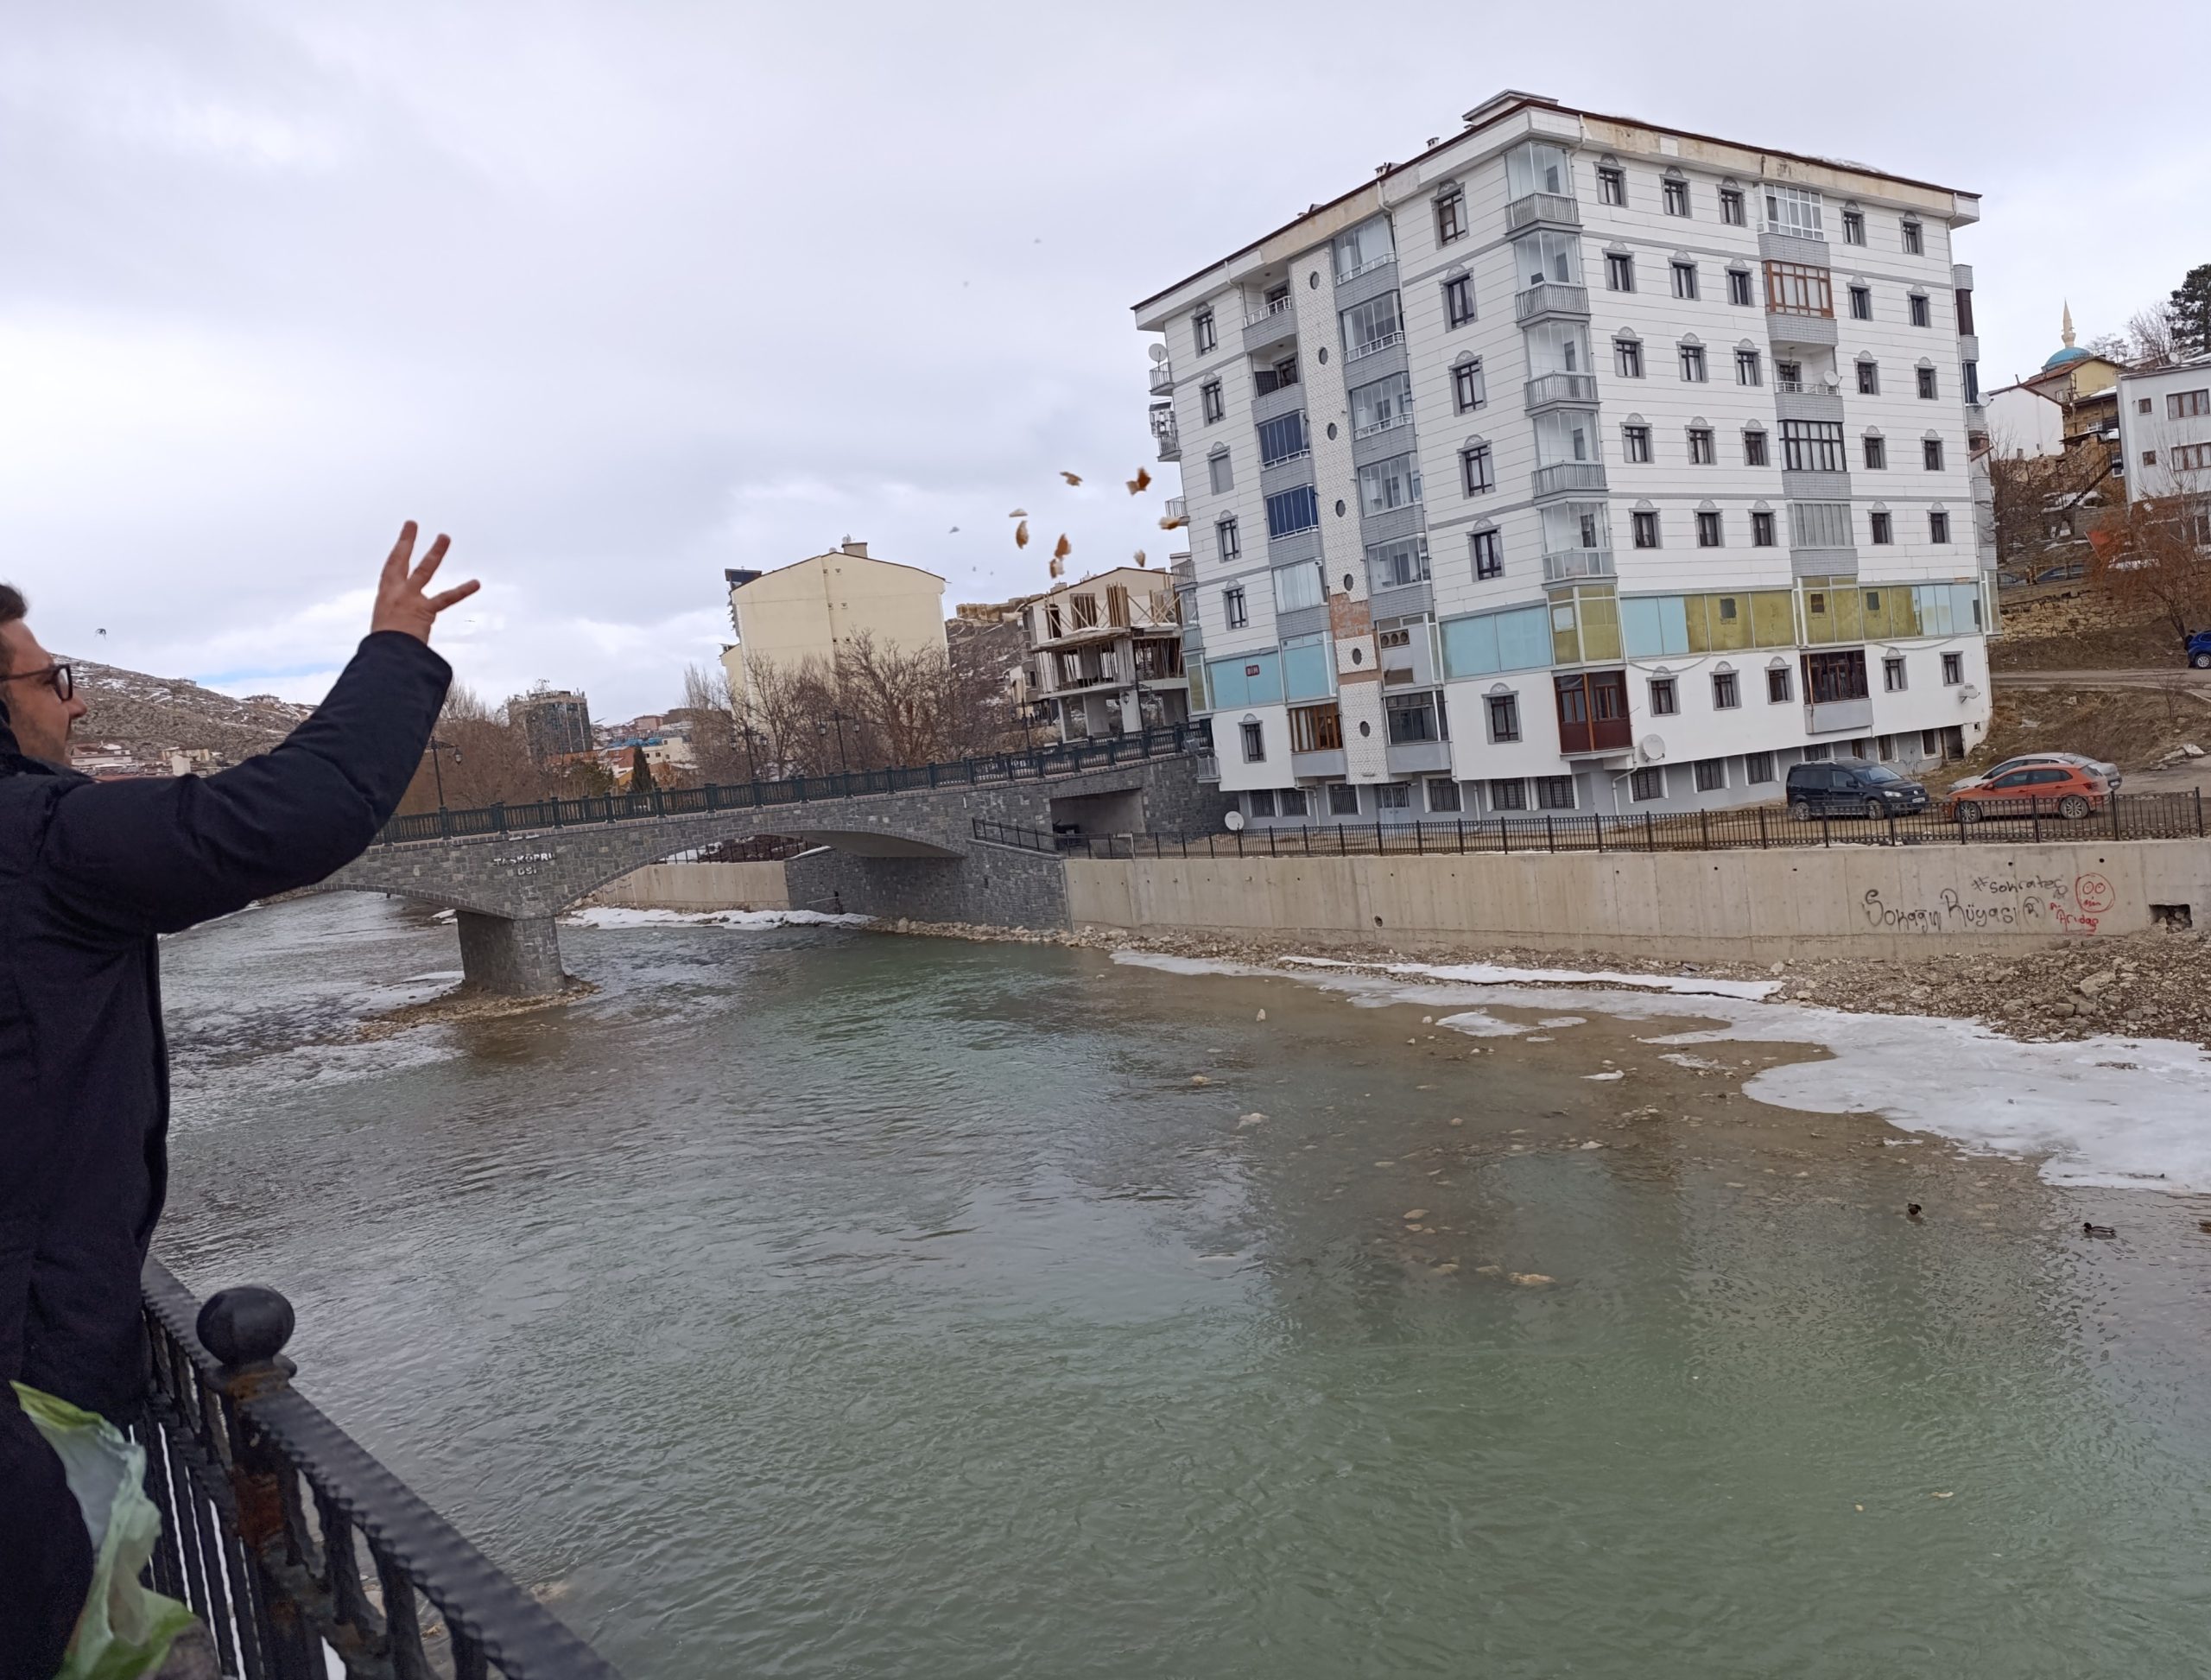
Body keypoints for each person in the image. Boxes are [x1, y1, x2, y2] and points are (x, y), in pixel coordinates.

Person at [0, 524, 476, 1680]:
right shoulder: (39, 841)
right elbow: (292, 812)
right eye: (53, 679)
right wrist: (397, 649)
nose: (72, 707)